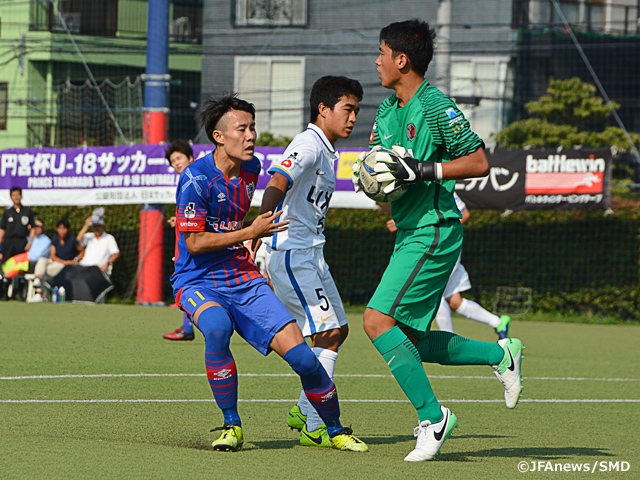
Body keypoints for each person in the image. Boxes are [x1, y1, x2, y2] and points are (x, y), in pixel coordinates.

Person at [357, 19, 524, 462]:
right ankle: (501, 354)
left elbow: (479, 160)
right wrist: (375, 182)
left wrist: (425, 170)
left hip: (435, 229)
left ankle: (434, 418)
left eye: (382, 52)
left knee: (375, 321)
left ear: (402, 59)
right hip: (410, 230)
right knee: (409, 339)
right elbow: (384, 168)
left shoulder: (435, 106)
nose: (376, 61)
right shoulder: (387, 111)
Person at [170, 93, 367, 453]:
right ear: (218, 136)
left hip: (242, 277)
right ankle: (232, 424)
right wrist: (249, 233)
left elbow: (235, 224)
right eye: (241, 129)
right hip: (196, 280)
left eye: (253, 128)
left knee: (305, 358)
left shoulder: (251, 169)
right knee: (216, 328)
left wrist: (248, 238)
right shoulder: (194, 179)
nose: (251, 136)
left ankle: (334, 430)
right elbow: (195, 244)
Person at [258, 76, 363, 447]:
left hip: (312, 254)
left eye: (356, 110)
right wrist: (261, 224)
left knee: (338, 332)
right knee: (326, 333)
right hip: (292, 254)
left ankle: (304, 409)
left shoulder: (327, 151)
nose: (353, 117)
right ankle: (315, 424)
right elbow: (278, 179)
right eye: (347, 109)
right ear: (323, 109)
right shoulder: (308, 143)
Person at [386, 193, 512, 338]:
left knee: (433, 292)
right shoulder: (421, 188)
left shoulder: (443, 188)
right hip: (437, 247)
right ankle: (498, 322)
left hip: (445, 248)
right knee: (454, 301)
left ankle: (448, 340)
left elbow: (464, 214)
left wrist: (437, 230)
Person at [162, 139, 197, 342]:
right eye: (172, 161)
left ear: (190, 158)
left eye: (178, 158)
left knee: (185, 284)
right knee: (186, 284)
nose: (176, 163)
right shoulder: (186, 180)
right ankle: (188, 326)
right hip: (185, 243)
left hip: (192, 246)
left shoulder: (194, 178)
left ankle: (188, 327)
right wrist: (180, 220)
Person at [0, 187, 36, 300]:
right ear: (11, 197)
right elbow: (2, 229)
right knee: (7, 267)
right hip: (9, 242)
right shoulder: (7, 212)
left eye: (18, 194)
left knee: (21, 268)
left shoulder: (27, 212)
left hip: (21, 242)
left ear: (21, 196)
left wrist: (30, 242)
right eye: (14, 195)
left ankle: (20, 294)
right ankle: (5, 294)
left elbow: (33, 228)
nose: (16, 197)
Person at [33, 218, 84, 287]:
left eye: (64, 228)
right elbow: (53, 256)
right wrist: (64, 262)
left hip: (65, 266)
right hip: (57, 261)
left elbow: (82, 251)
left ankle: (40, 292)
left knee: (46, 270)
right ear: (57, 229)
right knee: (42, 259)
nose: (62, 231)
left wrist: (76, 260)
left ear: (68, 229)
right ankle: (37, 279)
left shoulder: (72, 240)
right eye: (60, 228)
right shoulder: (55, 240)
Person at [76, 208, 120, 274]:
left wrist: (107, 263)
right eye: (95, 226)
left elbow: (116, 254)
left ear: (102, 226)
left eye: (98, 226)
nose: (96, 228)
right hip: (85, 267)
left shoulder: (109, 238)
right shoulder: (89, 236)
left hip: (99, 270)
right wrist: (86, 225)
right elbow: (77, 240)